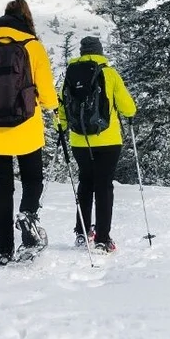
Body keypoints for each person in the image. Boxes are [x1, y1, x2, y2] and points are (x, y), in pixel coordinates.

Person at [0, 0, 59, 266]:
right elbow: (48, 93)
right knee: (33, 181)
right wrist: (53, 109)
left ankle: (4, 249)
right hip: (27, 127)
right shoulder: (32, 46)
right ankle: (27, 216)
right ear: (26, 19)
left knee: (3, 189)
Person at [53, 36, 136, 253]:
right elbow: (128, 108)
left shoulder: (70, 74)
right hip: (108, 140)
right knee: (104, 186)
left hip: (79, 140)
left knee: (85, 182)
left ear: (82, 52)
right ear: (100, 51)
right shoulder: (109, 73)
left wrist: (60, 127)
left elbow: (62, 106)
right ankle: (102, 238)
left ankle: (81, 233)